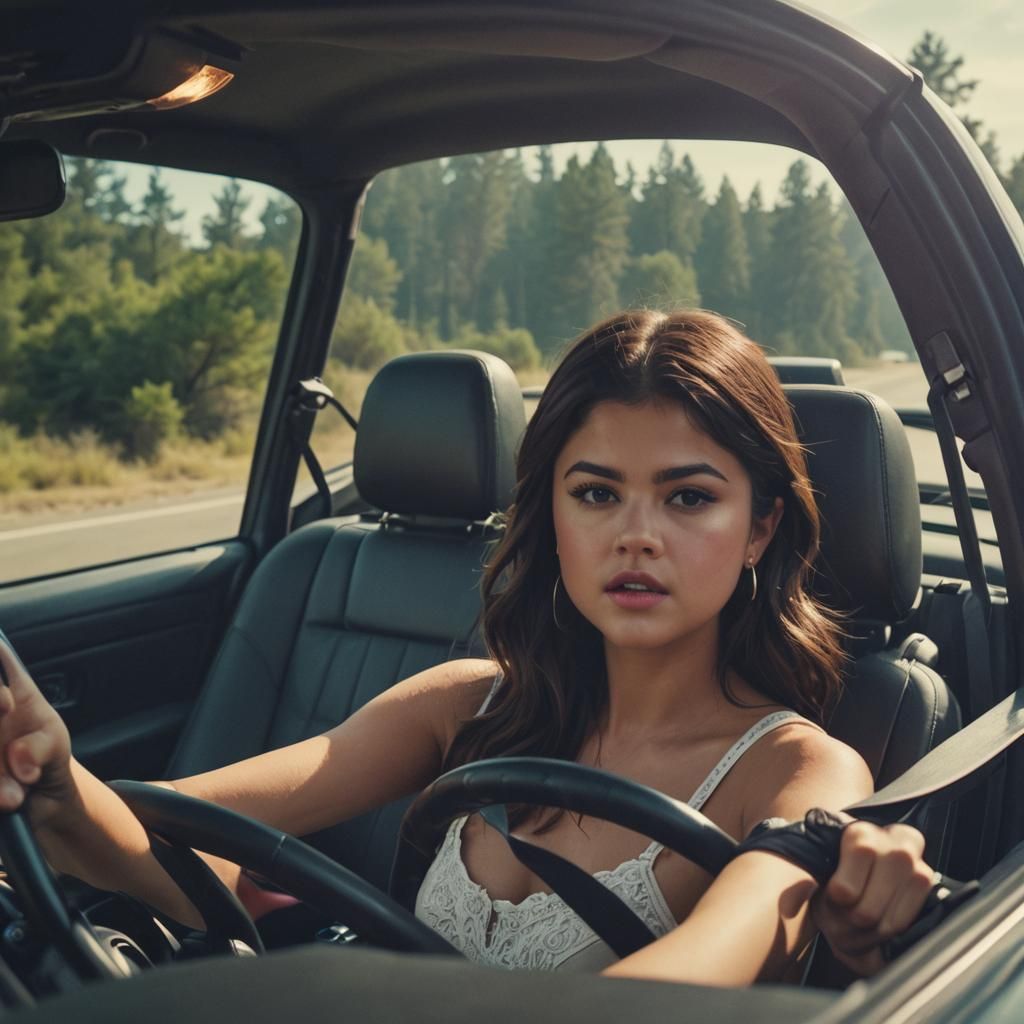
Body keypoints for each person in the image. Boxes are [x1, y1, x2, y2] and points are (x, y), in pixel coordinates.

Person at [0, 309, 936, 985]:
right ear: (553, 515)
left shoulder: (802, 771)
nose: (636, 536)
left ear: (761, 529)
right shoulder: (465, 704)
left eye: (689, 497)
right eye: (597, 492)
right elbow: (186, 836)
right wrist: (55, 788)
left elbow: (687, 986)